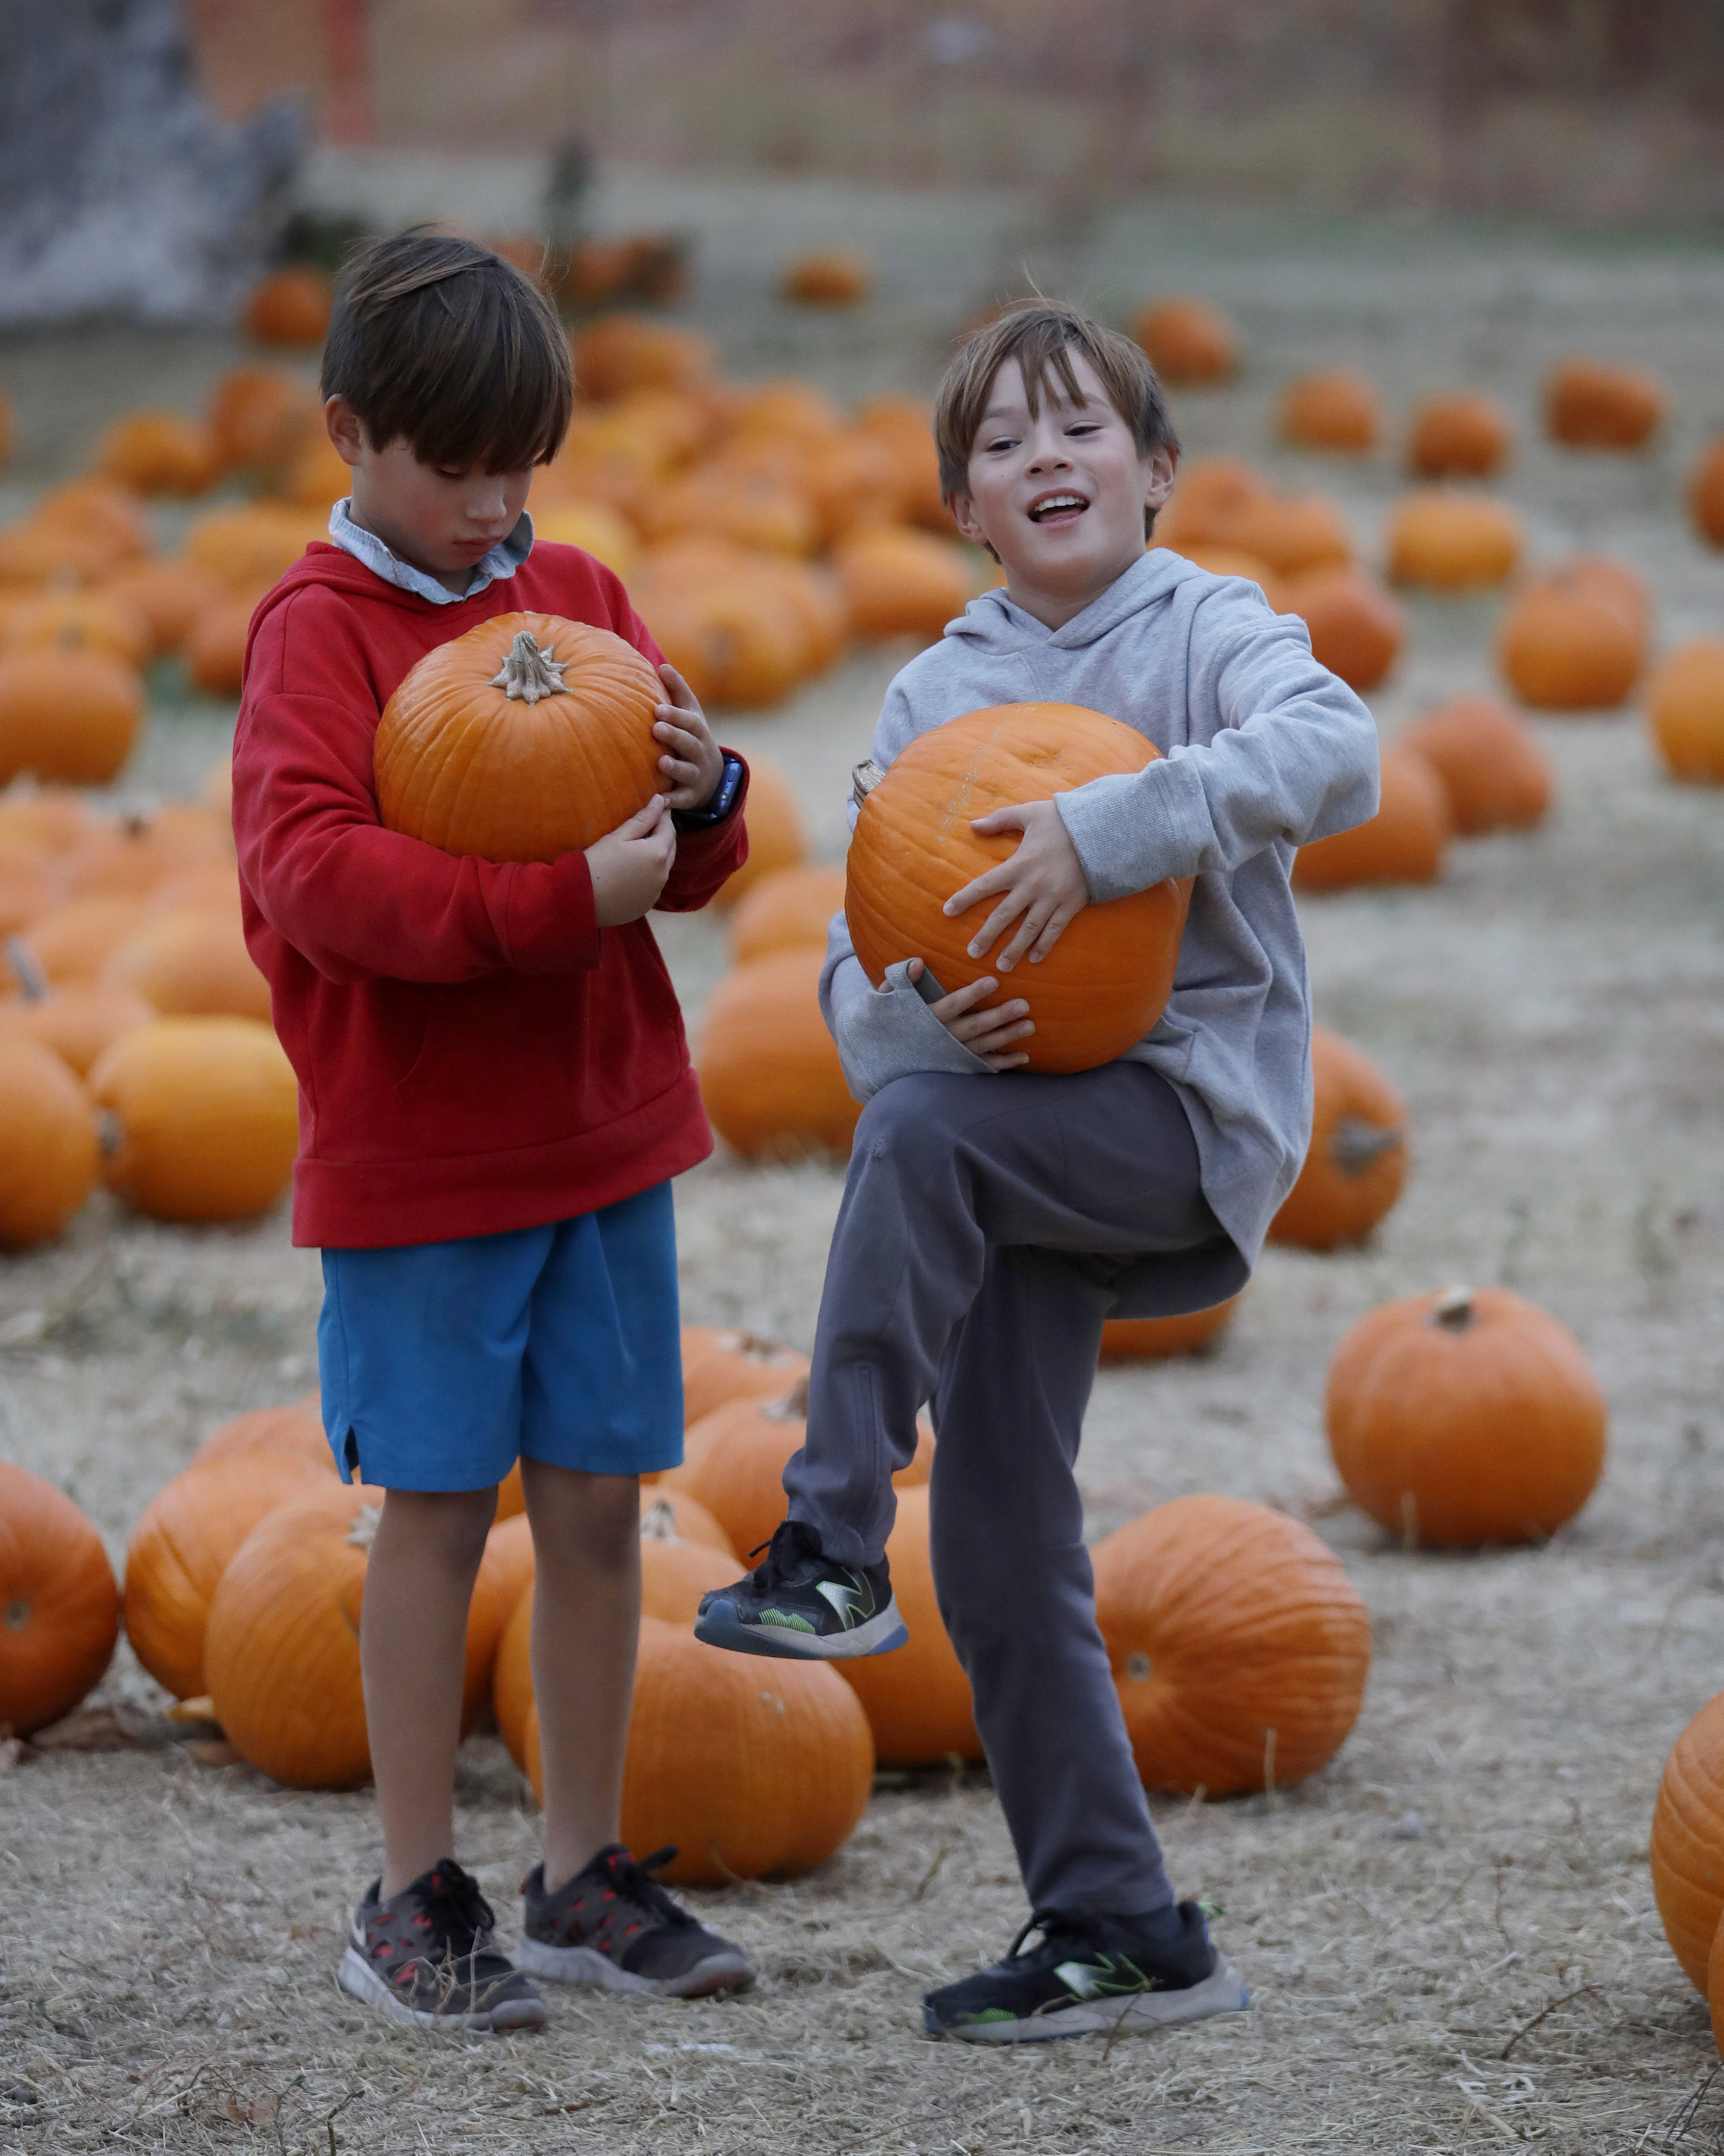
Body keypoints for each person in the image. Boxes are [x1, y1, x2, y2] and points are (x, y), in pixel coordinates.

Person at [694, 303, 1379, 2043]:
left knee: (919, 1141)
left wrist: (1110, 826)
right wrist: (917, 1020)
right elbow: (864, 959)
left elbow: (1339, 754)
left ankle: (830, 1530)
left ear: (1155, 476)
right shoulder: (938, 690)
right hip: (1011, 1132)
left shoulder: (1209, 628)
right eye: (1003, 443)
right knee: (1002, 1541)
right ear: (964, 507)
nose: (1045, 457)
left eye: (1081, 429)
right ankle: (1120, 1922)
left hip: (1177, 1117)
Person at [231, 233, 756, 2032]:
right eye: (453, 468)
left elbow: (676, 856)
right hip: (423, 1163)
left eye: (518, 465)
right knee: (437, 1511)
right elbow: (312, 879)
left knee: (604, 1504)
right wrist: (553, 901)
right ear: (348, 435)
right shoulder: (319, 636)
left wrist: (708, 799)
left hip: (603, 1138)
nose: (492, 504)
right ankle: (409, 1891)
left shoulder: (581, 595)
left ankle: (579, 1873)